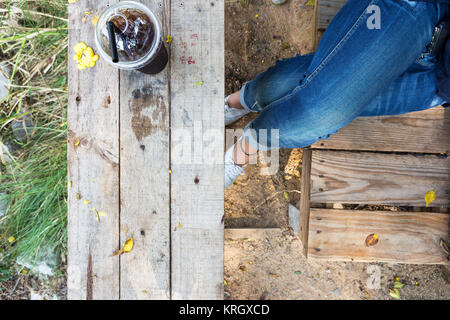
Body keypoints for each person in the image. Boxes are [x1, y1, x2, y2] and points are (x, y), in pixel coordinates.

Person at [225, 0, 450, 188]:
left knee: (314, 78)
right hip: (420, 8)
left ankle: (238, 102)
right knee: (317, 114)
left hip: (436, 84)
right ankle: (241, 153)